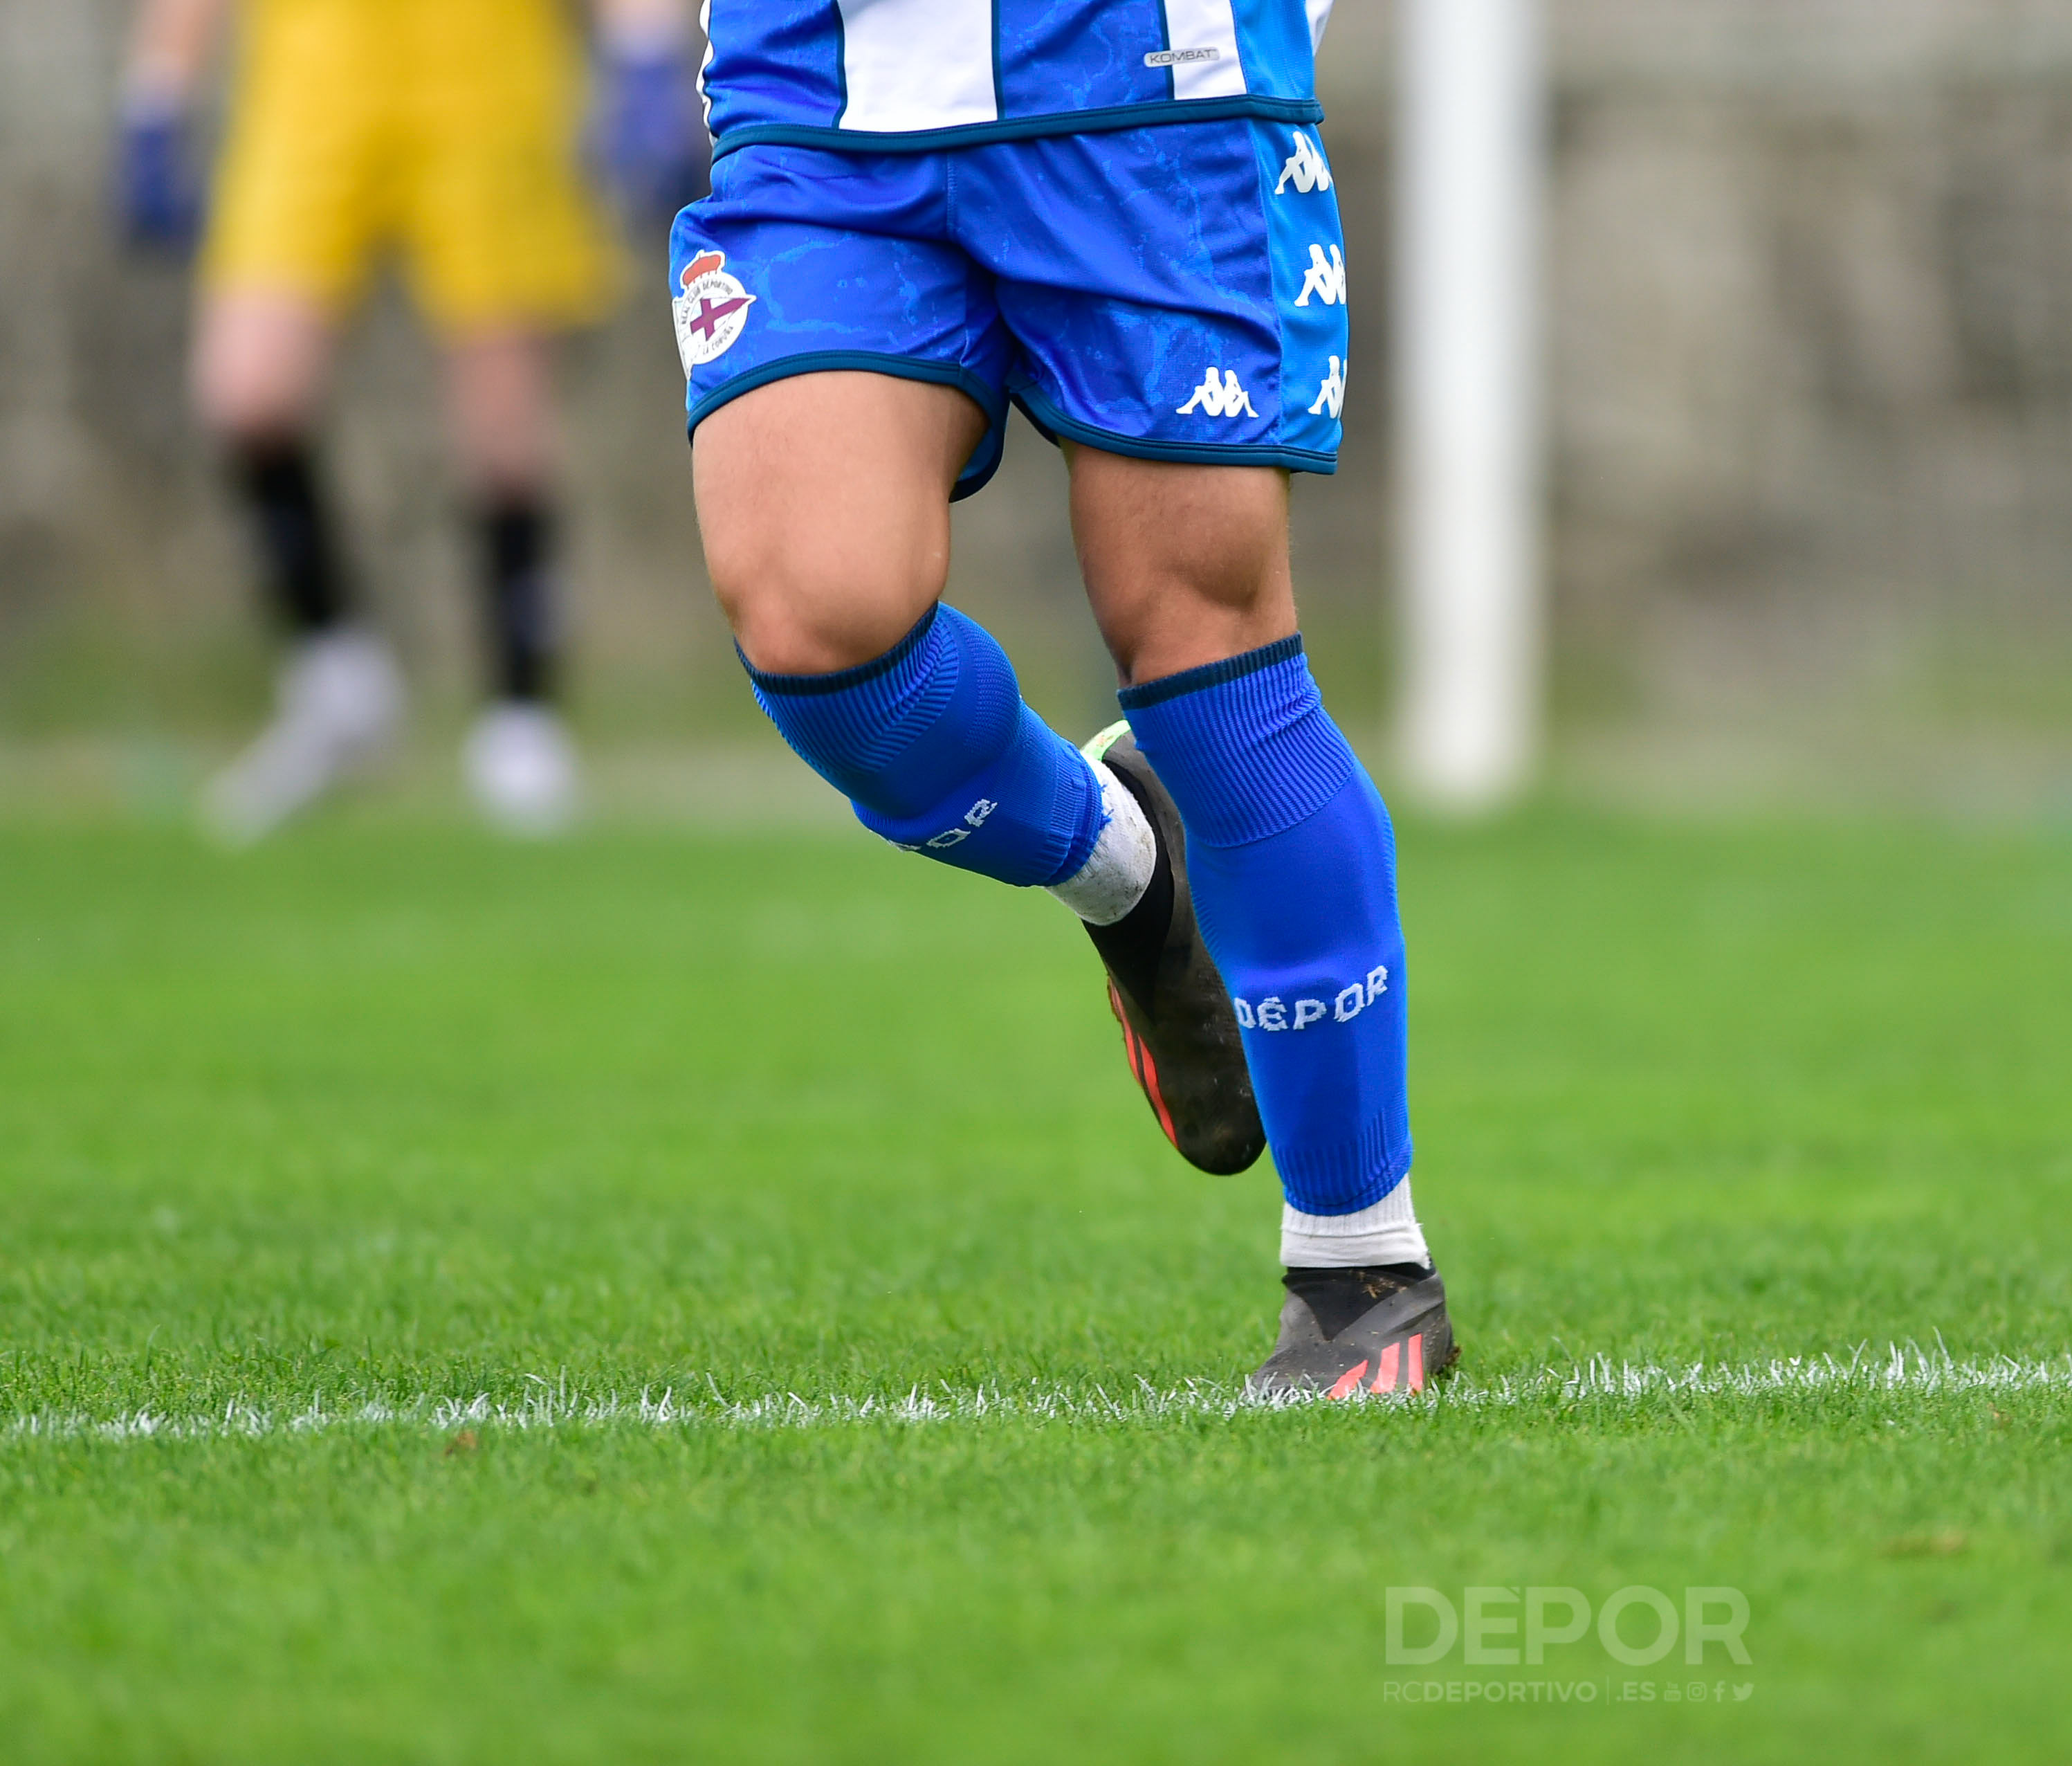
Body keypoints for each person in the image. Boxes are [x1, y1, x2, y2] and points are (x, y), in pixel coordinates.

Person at [672, 0, 1449, 1398]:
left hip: (1146, 80)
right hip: (823, 86)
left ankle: (1362, 1271)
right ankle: (1125, 871)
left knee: (1203, 661)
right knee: (815, 621)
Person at [118, 0, 706, 840]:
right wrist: (156, 95)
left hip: (482, 61)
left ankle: (520, 718)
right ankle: (335, 678)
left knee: (504, 420)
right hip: (313, 66)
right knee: (247, 391)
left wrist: (645, 57)